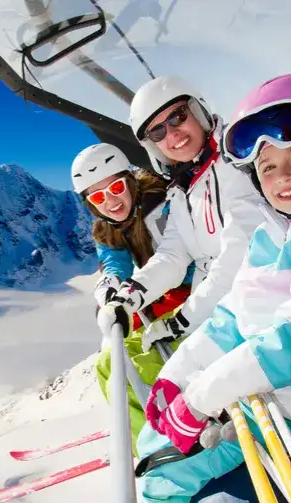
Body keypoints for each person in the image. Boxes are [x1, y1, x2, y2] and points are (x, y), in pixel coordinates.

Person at [134, 72, 291, 503]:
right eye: (267, 167)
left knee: (162, 481)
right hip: (263, 398)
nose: (283, 177)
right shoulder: (280, 233)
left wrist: (200, 399)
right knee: (153, 447)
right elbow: (232, 317)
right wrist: (175, 380)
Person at [97, 76, 268, 358]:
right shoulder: (182, 188)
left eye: (178, 117)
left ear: (198, 111)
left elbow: (242, 252)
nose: (172, 134)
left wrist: (185, 319)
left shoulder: (234, 159)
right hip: (216, 310)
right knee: (125, 363)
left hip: (251, 306)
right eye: (157, 132)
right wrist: (129, 298)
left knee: (144, 372)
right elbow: (172, 256)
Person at [71, 143, 193, 448]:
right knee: (107, 364)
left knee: (136, 366)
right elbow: (113, 266)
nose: (110, 201)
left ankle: (165, 439)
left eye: (116, 187)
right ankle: (146, 439)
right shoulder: (107, 229)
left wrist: (134, 296)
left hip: (189, 294)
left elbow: (177, 258)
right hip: (154, 299)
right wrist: (109, 293)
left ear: (130, 180)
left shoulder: (160, 205)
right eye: (98, 197)